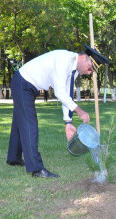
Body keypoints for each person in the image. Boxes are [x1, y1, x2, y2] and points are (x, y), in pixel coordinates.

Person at [6, 45, 110, 178]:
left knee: (20, 122)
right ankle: (37, 169)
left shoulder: (73, 70)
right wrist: (79, 111)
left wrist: (68, 121)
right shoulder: (63, 60)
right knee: (29, 125)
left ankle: (13, 158)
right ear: (84, 58)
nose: (89, 72)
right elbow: (59, 92)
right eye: (90, 68)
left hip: (27, 85)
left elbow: (66, 95)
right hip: (23, 83)